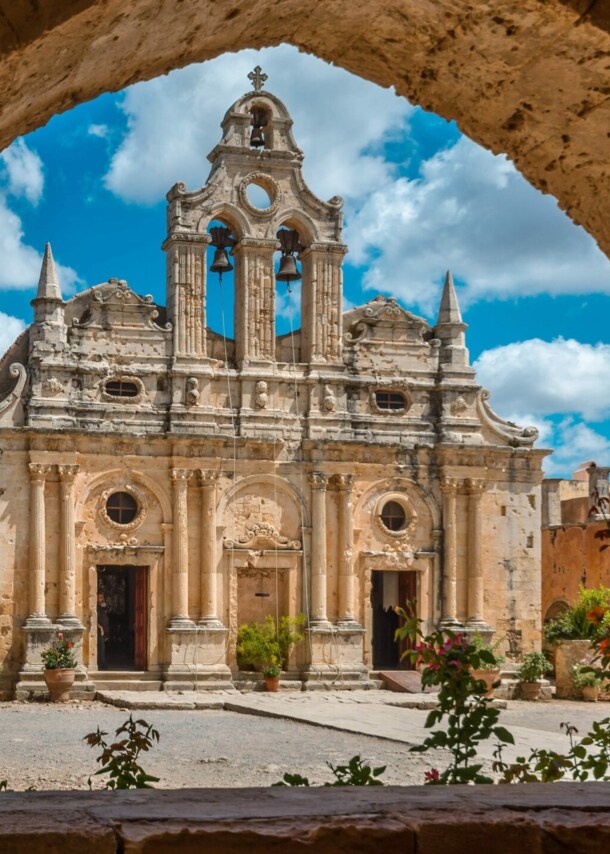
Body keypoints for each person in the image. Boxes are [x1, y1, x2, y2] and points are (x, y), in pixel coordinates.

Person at [97, 591, 110, 671]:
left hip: (105, 630)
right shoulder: (96, 608)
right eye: (98, 598)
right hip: (99, 631)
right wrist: (100, 627)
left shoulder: (103, 607)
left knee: (104, 648)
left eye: (101, 597)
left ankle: (102, 664)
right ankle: (103, 665)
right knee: (101, 648)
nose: (100, 599)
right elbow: (94, 619)